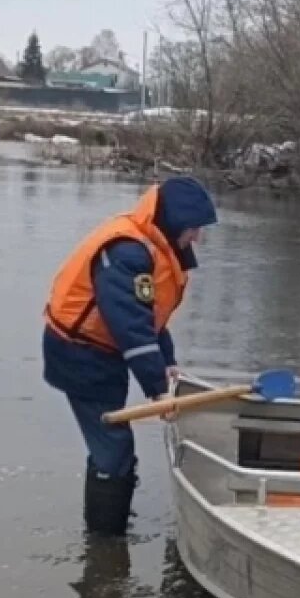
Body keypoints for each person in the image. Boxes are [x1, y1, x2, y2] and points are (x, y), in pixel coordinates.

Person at [41, 177, 217, 537]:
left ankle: (110, 522)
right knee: (113, 447)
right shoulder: (127, 252)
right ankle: (105, 543)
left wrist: (166, 363)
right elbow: (130, 326)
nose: (197, 238)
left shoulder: (154, 245)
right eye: (194, 228)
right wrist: (157, 391)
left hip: (103, 353)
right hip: (79, 354)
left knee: (115, 444)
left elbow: (150, 317)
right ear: (175, 222)